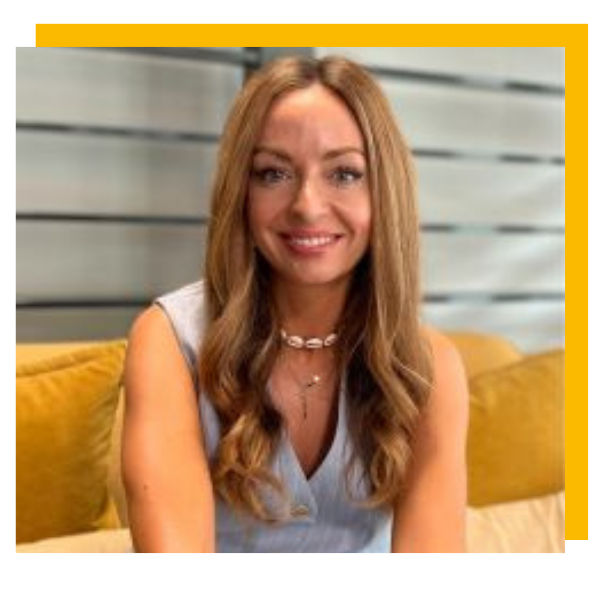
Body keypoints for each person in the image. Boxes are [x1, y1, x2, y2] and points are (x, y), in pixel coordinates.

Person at [122, 55, 470, 559]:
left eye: (344, 174)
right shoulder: (168, 341)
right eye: (273, 173)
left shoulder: (431, 366)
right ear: (240, 191)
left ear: (385, 192)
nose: (307, 205)